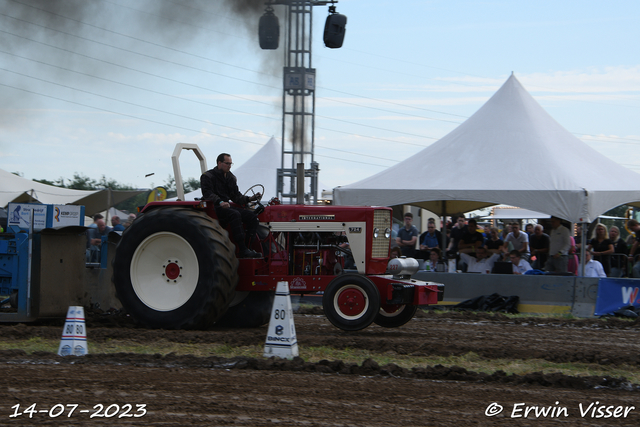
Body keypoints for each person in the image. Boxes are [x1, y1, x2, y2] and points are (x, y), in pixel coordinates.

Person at [200, 153, 262, 258]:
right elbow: (208, 194)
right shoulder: (208, 176)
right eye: (227, 163)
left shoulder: (231, 177)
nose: (229, 166)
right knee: (235, 214)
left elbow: (236, 196)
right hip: (215, 207)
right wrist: (220, 202)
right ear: (219, 163)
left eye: (230, 164)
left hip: (227, 206)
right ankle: (242, 249)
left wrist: (250, 198)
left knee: (252, 217)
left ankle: (248, 248)